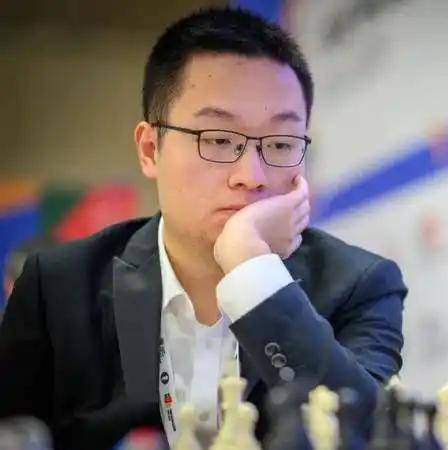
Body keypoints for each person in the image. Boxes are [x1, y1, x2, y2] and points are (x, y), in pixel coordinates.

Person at [0, 8, 407, 449]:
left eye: (281, 144)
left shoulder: (361, 285)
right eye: (218, 139)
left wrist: (252, 270)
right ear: (150, 150)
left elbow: (365, 434)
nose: (251, 175)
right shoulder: (57, 289)